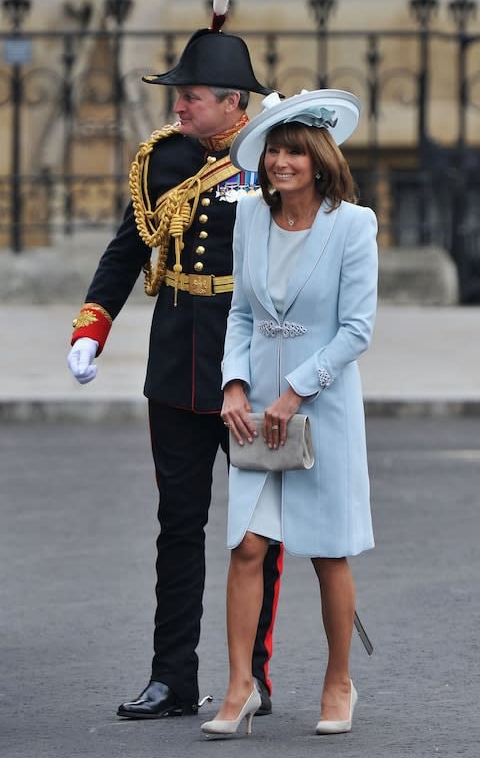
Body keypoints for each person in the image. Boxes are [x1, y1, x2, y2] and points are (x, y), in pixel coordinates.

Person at [66, 0, 283, 720]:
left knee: (259, 530)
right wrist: (92, 327)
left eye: (190, 97)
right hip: (175, 362)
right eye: (179, 97)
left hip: (249, 365)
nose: (179, 107)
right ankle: (171, 678)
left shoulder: (274, 159)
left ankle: (253, 675)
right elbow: (129, 249)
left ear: (232, 102)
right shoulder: (162, 161)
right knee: (178, 526)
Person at [199, 88, 378, 738]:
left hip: (320, 410)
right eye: (274, 149)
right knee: (246, 547)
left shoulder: (353, 226)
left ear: (318, 158)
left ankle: (339, 681)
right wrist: (235, 386)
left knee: (328, 553)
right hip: (255, 415)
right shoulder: (249, 218)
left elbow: (357, 330)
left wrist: (296, 389)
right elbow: (241, 313)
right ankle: (240, 685)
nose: (280, 162)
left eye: (294, 152)